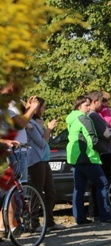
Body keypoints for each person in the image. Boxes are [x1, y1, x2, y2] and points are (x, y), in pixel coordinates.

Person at [66, 95, 111, 224]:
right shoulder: (84, 119)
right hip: (88, 156)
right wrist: (102, 149)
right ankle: (105, 215)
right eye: (86, 105)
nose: (89, 108)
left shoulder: (71, 118)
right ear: (79, 106)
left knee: (79, 188)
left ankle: (79, 217)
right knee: (103, 184)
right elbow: (92, 139)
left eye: (89, 105)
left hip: (75, 157)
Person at [26, 97, 62, 231]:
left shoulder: (37, 123)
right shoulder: (30, 123)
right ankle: (34, 223)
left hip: (44, 160)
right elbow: (41, 142)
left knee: (51, 191)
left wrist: (45, 128)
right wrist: (49, 129)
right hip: (36, 161)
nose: (45, 109)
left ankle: (50, 221)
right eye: (43, 107)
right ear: (36, 108)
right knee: (37, 191)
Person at [2, 82, 39, 182]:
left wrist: (28, 109)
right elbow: (21, 124)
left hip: (17, 150)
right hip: (15, 151)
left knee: (15, 188)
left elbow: (21, 121)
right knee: (19, 187)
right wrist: (32, 108)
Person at [98, 91, 111, 171]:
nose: (108, 102)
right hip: (108, 127)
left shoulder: (107, 109)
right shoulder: (100, 110)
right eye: (106, 101)